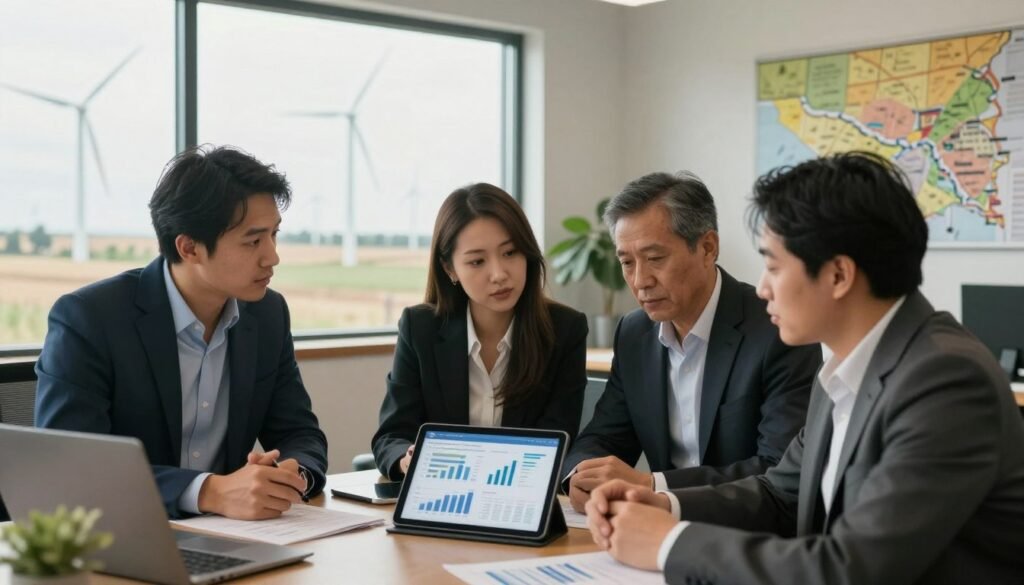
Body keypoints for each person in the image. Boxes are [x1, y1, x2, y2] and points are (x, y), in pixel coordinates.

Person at [585, 152, 1024, 584]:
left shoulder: (945, 380)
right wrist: (665, 504)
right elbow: (780, 492)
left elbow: (852, 568)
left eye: (773, 266)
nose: (762, 288)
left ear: (838, 276)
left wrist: (670, 543)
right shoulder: (844, 370)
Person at [35, 145, 328, 520]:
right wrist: (209, 491)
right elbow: (72, 467)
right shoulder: (90, 319)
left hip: (232, 533)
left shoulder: (267, 314)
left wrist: (292, 475)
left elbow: (299, 433)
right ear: (189, 247)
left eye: (275, 234)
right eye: (253, 241)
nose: (273, 256)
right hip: (125, 532)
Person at [564, 171, 820, 512]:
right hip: (653, 525)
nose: (640, 280)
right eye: (626, 262)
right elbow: (603, 436)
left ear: (707, 248)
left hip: (745, 525)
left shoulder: (778, 329)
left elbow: (778, 468)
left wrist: (654, 486)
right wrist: (581, 475)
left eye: (655, 259)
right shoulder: (634, 333)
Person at [372, 183, 589, 480]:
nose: (499, 274)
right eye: (477, 261)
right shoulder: (419, 328)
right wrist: (407, 459)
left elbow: (556, 440)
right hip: (442, 490)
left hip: (519, 490)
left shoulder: (564, 330)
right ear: (450, 269)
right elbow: (391, 436)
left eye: (510, 252)